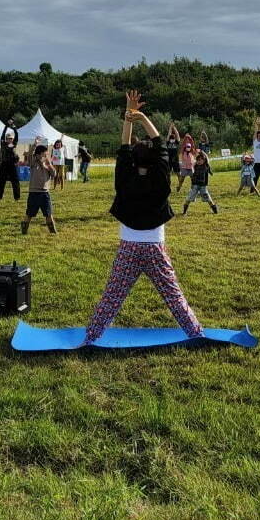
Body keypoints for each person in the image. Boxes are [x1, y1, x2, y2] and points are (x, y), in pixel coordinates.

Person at [84, 91, 203, 345]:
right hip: (155, 248)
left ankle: (91, 337)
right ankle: (196, 333)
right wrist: (141, 116)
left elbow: (124, 149)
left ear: (133, 160)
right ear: (154, 161)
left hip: (128, 248)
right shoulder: (160, 178)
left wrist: (128, 117)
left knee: (112, 297)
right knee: (174, 295)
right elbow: (160, 143)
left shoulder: (124, 178)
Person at [23, 143, 57, 234]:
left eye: (46, 154)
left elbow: (54, 175)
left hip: (45, 193)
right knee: (29, 213)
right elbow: (30, 155)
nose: (46, 156)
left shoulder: (48, 163)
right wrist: (34, 145)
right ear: (38, 154)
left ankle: (53, 232)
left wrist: (49, 166)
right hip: (34, 192)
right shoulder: (33, 162)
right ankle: (24, 230)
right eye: (44, 154)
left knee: (48, 214)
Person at [183, 149, 219, 215]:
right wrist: (195, 152)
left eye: (200, 160)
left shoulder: (206, 166)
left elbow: (207, 158)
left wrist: (202, 152)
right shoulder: (195, 166)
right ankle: (184, 211)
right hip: (195, 186)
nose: (199, 161)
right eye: (197, 160)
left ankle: (215, 210)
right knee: (189, 198)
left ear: (204, 160)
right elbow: (193, 160)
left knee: (208, 199)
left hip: (203, 186)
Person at [0, 123, 20, 201]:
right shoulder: (3, 144)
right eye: (8, 138)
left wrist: (14, 127)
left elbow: (17, 135)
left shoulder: (14, 144)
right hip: (4, 164)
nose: (10, 140)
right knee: (1, 181)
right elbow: (2, 134)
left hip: (12, 165)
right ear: (6, 139)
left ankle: (17, 197)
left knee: (15, 181)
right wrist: (6, 126)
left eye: (11, 138)